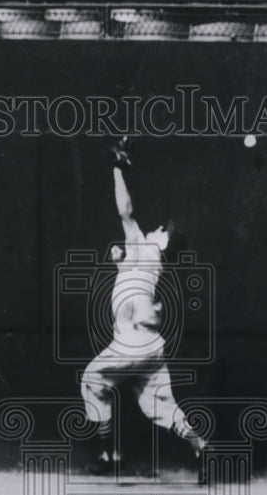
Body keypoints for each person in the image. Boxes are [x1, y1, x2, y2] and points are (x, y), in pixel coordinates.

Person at [80, 138, 206, 473]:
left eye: (163, 229)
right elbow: (135, 287)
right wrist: (120, 261)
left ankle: (109, 458)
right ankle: (202, 449)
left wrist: (118, 167)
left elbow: (125, 211)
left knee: (92, 380)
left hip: (133, 341)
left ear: (163, 242)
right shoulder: (146, 258)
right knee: (163, 407)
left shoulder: (146, 248)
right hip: (150, 347)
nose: (158, 227)